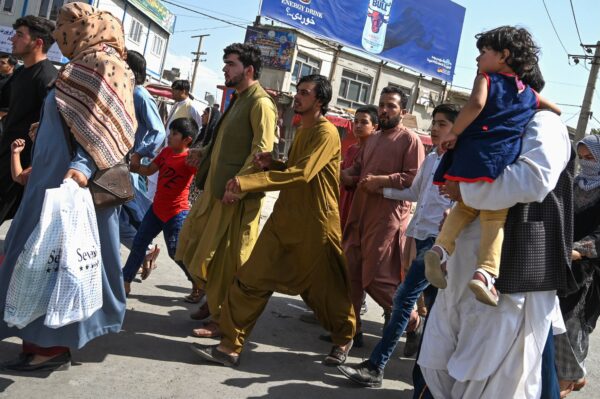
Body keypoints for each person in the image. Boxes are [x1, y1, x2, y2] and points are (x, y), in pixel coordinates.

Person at [0, 2, 137, 371]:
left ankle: (52, 346)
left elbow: (106, 124)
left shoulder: (107, 64)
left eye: (68, 26)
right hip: (47, 179)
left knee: (62, 266)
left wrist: (79, 167)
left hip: (73, 185)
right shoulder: (80, 64)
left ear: (87, 27)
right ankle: (36, 340)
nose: (63, 34)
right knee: (33, 261)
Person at [190, 74, 356, 367]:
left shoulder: (326, 133)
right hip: (283, 222)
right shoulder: (303, 130)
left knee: (324, 291)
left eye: (305, 93)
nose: (298, 97)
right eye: (298, 91)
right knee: (250, 280)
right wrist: (273, 163)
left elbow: (302, 175)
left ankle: (344, 337)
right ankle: (230, 346)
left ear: (319, 100)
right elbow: (293, 169)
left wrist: (249, 182)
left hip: (315, 226)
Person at [417, 103, 572, 397]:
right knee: (441, 361)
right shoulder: (488, 120)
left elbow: (533, 179)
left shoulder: (545, 122)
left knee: (500, 375)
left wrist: (466, 190)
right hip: (465, 268)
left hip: (515, 270)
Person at [425, 26, 561, 306]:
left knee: (463, 207)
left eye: (483, 52)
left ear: (504, 56)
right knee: (494, 218)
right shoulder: (528, 94)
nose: (477, 59)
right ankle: (485, 274)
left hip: (471, 154)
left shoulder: (486, 78)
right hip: (499, 160)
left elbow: (476, 103)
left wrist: (455, 132)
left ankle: (439, 249)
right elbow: (555, 108)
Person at [337, 103, 457, 388]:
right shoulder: (432, 158)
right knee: (420, 303)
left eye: (442, 124)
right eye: (435, 123)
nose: (435, 128)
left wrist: (382, 183)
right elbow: (415, 191)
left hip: (444, 244)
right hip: (421, 237)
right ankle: (415, 373)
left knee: (409, 300)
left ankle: (385, 368)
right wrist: (380, 188)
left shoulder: (460, 161)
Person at [175, 43, 277, 338]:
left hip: (236, 197)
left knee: (224, 260)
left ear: (248, 70)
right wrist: (203, 152)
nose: (224, 69)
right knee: (193, 246)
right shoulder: (239, 98)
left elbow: (261, 151)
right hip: (217, 191)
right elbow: (227, 143)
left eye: (230, 64)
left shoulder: (261, 103)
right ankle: (213, 301)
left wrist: (240, 185)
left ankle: (222, 319)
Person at [341, 86, 425, 343]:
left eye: (391, 106)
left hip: (386, 217)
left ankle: (412, 321)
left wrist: (382, 180)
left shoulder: (410, 140)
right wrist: (345, 174)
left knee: (375, 277)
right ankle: (350, 334)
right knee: (351, 271)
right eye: (382, 105)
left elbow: (414, 180)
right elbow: (358, 169)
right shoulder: (374, 139)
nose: (385, 110)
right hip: (360, 213)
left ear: (403, 111)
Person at [122, 118, 198, 295]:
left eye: (174, 134)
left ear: (187, 140)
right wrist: (134, 167)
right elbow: (149, 171)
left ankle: (197, 282)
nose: (169, 136)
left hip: (176, 213)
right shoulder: (165, 152)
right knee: (139, 244)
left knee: (175, 252)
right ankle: (125, 281)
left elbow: (202, 179)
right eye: (170, 132)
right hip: (156, 210)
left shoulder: (190, 159)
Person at [554, 135, 600, 398]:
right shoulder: (573, 184)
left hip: (589, 270)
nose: (585, 163)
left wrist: (580, 250)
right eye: (581, 157)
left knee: (573, 321)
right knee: (555, 318)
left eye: (590, 157)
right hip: (561, 262)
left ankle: (566, 379)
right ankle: (572, 374)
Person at [0, 16, 57, 225]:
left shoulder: (48, 79)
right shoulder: (21, 73)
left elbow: (53, 128)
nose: (13, 39)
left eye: (20, 35)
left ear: (38, 42)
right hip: (7, 153)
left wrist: (34, 165)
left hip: (22, 165)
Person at [118, 49, 167, 283]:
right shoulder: (125, 92)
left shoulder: (139, 94)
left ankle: (144, 253)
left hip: (128, 166)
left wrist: (139, 153)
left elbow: (158, 131)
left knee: (123, 216)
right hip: (119, 164)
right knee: (121, 218)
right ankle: (145, 252)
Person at [339, 105, 378, 229]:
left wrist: (351, 180)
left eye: (364, 122)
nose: (358, 125)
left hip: (360, 201)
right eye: (356, 122)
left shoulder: (375, 151)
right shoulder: (351, 149)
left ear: (374, 127)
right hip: (344, 198)